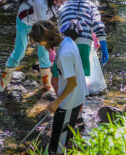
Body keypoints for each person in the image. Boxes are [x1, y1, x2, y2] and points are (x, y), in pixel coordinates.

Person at [0, 0, 69, 92]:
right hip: (25, 23)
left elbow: (49, 24)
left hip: (39, 23)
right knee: (19, 53)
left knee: (44, 52)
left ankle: (47, 84)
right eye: (62, 1)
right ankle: (3, 82)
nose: (63, 4)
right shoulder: (40, 3)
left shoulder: (55, 1)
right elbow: (44, 27)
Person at [29, 20, 86, 155]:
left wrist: (56, 102)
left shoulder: (63, 55)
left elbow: (72, 83)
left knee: (57, 143)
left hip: (69, 102)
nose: (40, 46)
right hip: (76, 97)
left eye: (40, 42)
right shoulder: (67, 40)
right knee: (66, 135)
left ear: (46, 39)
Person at [56, 0, 108, 81]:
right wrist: (103, 45)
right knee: (83, 76)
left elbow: (59, 27)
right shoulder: (90, 5)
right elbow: (97, 23)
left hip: (67, 42)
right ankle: (84, 95)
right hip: (84, 41)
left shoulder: (62, 6)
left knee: (69, 74)